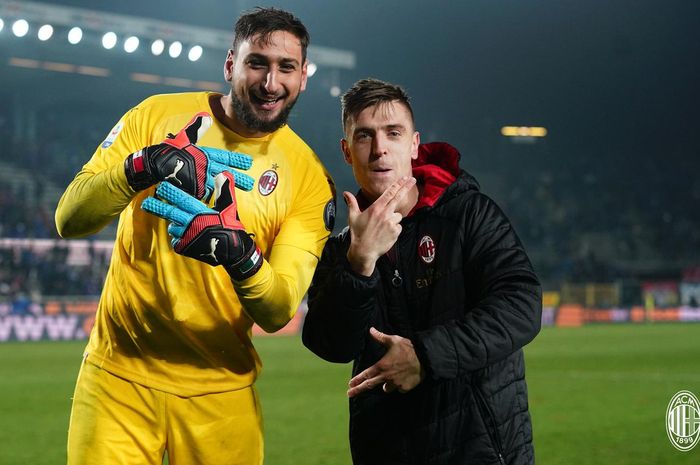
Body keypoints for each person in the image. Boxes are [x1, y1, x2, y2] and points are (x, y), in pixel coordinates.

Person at [55, 7, 335, 465]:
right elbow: (70, 218)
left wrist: (241, 257)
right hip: (118, 377)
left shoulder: (307, 177)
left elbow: (279, 307)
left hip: (221, 392)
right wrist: (140, 168)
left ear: (303, 77)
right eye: (257, 62)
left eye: (286, 67)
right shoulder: (155, 115)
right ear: (230, 64)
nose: (270, 82)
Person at [302, 78, 542, 465]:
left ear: (413, 145)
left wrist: (424, 357)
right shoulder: (340, 250)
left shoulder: (469, 214)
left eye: (392, 133)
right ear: (347, 151)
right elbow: (330, 345)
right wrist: (359, 265)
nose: (379, 148)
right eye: (364, 136)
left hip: (480, 450)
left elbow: (522, 306)